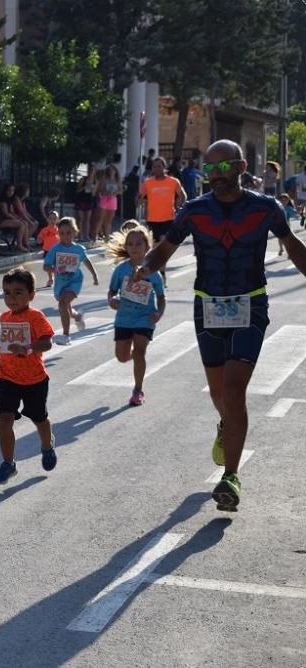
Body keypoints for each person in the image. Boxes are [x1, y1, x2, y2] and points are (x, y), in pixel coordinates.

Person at [132, 139, 306, 512]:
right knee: (218, 394)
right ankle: (227, 426)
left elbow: (292, 246)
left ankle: (230, 476)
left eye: (222, 167)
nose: (215, 176)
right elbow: (165, 247)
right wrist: (145, 268)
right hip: (207, 305)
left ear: (241, 167)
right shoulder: (195, 211)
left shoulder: (266, 208)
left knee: (233, 388)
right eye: (208, 170)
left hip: (251, 303)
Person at [0, 266, 56, 484]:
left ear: (31, 295)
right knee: (4, 419)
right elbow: (4, 340)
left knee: (39, 418)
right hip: (7, 377)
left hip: (34, 379)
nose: (11, 298)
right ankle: (8, 463)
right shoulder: (4, 316)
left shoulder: (36, 317)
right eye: (7, 292)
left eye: (18, 292)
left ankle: (47, 445)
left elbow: (47, 342)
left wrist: (27, 349)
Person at [105, 224, 166, 406]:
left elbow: (162, 297)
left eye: (138, 244)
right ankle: (134, 357)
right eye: (130, 244)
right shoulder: (121, 270)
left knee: (139, 352)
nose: (134, 247)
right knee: (122, 357)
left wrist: (159, 312)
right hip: (124, 318)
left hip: (144, 318)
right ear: (126, 247)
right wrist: (112, 300)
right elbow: (111, 291)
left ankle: (138, 389)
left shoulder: (153, 272)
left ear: (147, 247)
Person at [43, 217, 99, 345]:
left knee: (62, 304)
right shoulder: (55, 249)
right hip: (60, 284)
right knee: (66, 306)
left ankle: (66, 336)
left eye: (68, 232)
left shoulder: (78, 249)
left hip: (74, 282)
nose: (65, 236)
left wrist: (94, 275)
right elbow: (46, 266)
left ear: (75, 232)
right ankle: (77, 316)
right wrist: (56, 269)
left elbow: (86, 261)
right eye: (61, 233)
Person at [136, 156, 185, 285]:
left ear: (164, 168)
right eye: (154, 166)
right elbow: (139, 198)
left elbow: (182, 195)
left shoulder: (173, 182)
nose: (156, 169)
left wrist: (180, 205)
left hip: (168, 219)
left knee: (162, 247)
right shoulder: (147, 183)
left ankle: (161, 273)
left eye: (159, 166)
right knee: (154, 249)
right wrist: (140, 200)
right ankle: (155, 273)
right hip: (152, 220)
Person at [0, 183, 31, 252]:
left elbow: (11, 212)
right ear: (5, 190)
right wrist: (15, 218)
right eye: (9, 190)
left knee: (25, 223)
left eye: (12, 191)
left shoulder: (9, 199)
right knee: (21, 224)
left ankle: (26, 244)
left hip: (7, 220)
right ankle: (19, 245)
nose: (11, 192)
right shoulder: (2, 200)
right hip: (0, 221)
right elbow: (5, 213)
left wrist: (17, 217)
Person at [94, 165, 121, 241]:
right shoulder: (104, 180)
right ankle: (95, 236)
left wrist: (115, 193)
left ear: (115, 171)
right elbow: (100, 190)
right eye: (110, 170)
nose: (111, 172)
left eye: (113, 170)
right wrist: (106, 192)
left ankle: (107, 236)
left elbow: (120, 190)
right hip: (104, 199)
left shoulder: (117, 180)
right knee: (100, 218)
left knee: (109, 220)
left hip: (113, 200)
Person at [73, 165, 97, 242]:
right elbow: (77, 190)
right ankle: (80, 235)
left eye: (92, 170)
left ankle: (86, 235)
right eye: (90, 170)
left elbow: (94, 194)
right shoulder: (83, 179)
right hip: (81, 199)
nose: (91, 172)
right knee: (80, 218)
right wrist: (84, 186)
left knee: (87, 219)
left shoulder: (95, 181)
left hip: (89, 200)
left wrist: (92, 189)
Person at [38, 211, 60, 287]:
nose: (52, 220)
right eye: (50, 218)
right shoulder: (44, 230)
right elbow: (39, 238)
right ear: (48, 219)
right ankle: (50, 279)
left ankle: (58, 279)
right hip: (47, 251)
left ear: (57, 220)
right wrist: (39, 240)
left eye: (54, 219)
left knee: (57, 266)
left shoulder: (59, 230)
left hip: (57, 251)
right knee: (48, 266)